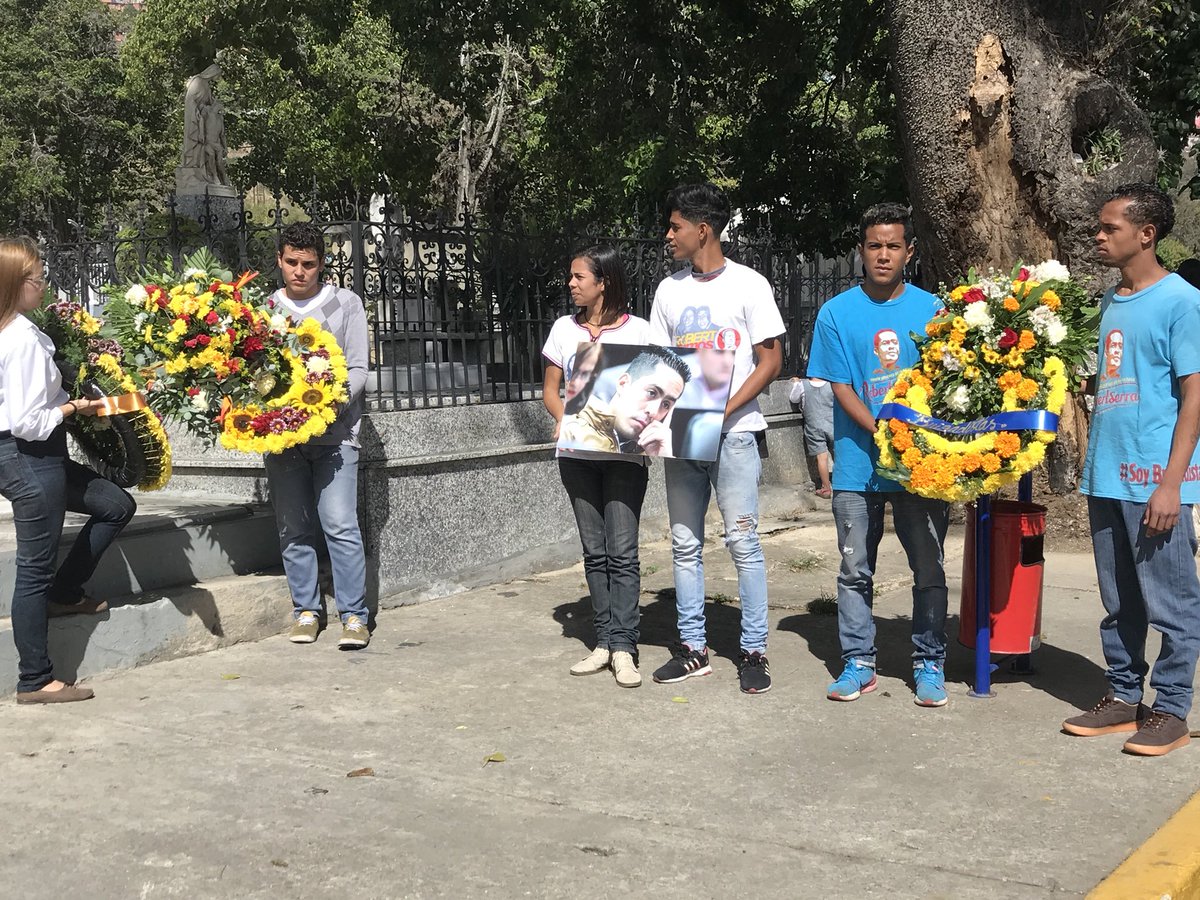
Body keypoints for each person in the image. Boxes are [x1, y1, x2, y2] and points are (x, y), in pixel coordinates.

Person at [1064, 183, 1200, 757]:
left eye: (1109, 227)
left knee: (1171, 599)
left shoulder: (1182, 301)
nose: (1098, 235)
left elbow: (1194, 395)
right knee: (1120, 598)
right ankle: (1124, 696)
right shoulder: (1107, 303)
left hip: (1154, 480)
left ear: (1146, 234)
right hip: (1107, 475)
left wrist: (1172, 483)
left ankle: (1170, 707)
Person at [806, 203, 951, 707]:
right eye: (874, 246)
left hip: (922, 468)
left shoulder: (935, 311)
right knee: (854, 570)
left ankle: (929, 663)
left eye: (893, 246)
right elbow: (842, 387)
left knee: (928, 569)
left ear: (909, 251)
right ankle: (858, 663)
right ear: (862, 251)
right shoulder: (836, 314)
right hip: (856, 465)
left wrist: (916, 443)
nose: (883, 255)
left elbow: (946, 385)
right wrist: (885, 434)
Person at [648, 182, 785, 695]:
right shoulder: (669, 291)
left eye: (676, 226)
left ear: (701, 229)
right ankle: (692, 649)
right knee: (684, 544)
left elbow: (771, 360)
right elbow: (660, 363)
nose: (669, 235)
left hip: (735, 436)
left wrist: (722, 409)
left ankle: (753, 650)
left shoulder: (749, 285)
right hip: (682, 436)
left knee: (743, 542)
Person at [0, 237, 136, 703]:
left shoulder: (20, 329)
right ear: (16, 284)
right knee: (33, 568)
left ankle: (67, 589)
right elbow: (27, 421)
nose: (44, 283)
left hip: (38, 453)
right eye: (38, 277)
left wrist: (84, 402)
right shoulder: (17, 340)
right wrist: (73, 407)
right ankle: (34, 680)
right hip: (27, 454)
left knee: (115, 505)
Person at [542, 245, 653, 687]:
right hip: (576, 457)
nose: (571, 284)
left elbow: (658, 388)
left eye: (579, 277)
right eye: (571, 277)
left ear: (604, 281)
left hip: (625, 457)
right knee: (595, 551)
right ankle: (603, 642)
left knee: (623, 551)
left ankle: (625, 647)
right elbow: (551, 390)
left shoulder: (641, 331)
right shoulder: (563, 330)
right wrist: (562, 419)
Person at [266, 222, 372, 649]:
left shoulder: (346, 304)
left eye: (308, 264)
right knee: (293, 527)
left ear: (321, 264)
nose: (299, 271)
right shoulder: (267, 308)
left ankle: (354, 616)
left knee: (340, 525)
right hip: (282, 439)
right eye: (291, 262)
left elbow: (360, 368)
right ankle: (306, 611)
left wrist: (325, 408)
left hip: (337, 437)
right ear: (280, 260)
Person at [558, 347, 689, 456]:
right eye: (651, 393)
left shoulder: (648, 449)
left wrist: (663, 457)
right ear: (623, 383)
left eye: (666, 405)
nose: (654, 412)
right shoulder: (572, 432)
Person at [789, 375, 835, 498]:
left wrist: (796, 384)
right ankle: (844, 483)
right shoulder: (832, 384)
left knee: (822, 458)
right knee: (839, 454)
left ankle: (825, 488)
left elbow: (793, 399)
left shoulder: (802, 385)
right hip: (833, 424)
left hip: (813, 426)